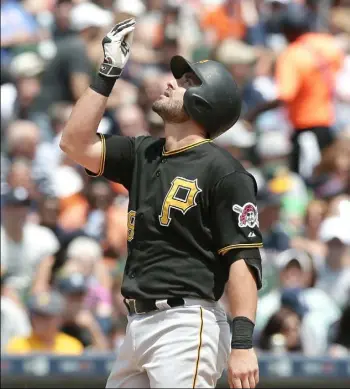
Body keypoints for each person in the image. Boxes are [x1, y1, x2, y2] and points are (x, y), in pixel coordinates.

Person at [60, 18, 263, 389]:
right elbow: (74, 143)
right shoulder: (144, 152)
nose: (171, 82)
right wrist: (107, 73)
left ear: (208, 100)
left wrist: (243, 344)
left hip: (186, 323)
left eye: (187, 83)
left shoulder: (225, 171)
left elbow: (242, 259)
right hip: (137, 324)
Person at [245, 2, 344, 179]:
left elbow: (285, 95)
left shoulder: (292, 55)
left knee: (304, 180)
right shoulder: (327, 44)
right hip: (330, 123)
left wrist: (254, 113)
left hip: (306, 129)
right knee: (328, 177)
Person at [6, 290, 84, 355]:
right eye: (37, 316)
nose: (40, 321)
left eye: (46, 317)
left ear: (59, 319)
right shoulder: (18, 345)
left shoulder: (72, 346)